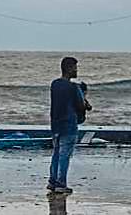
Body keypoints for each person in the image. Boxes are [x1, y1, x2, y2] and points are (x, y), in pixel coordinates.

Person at [48, 57, 86, 194]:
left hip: (56, 124)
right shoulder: (73, 87)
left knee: (56, 154)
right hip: (69, 125)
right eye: (75, 67)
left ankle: (52, 182)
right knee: (65, 155)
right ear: (69, 68)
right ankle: (60, 184)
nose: (77, 70)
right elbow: (81, 105)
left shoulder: (55, 84)